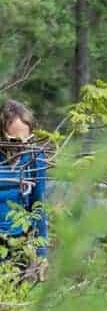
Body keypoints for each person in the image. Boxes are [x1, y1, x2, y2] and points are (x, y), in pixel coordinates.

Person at [0, 99, 48, 281]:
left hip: (18, 245)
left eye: (27, 140)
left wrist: (41, 254)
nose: (21, 146)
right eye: (14, 141)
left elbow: (38, 206)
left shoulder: (35, 158)